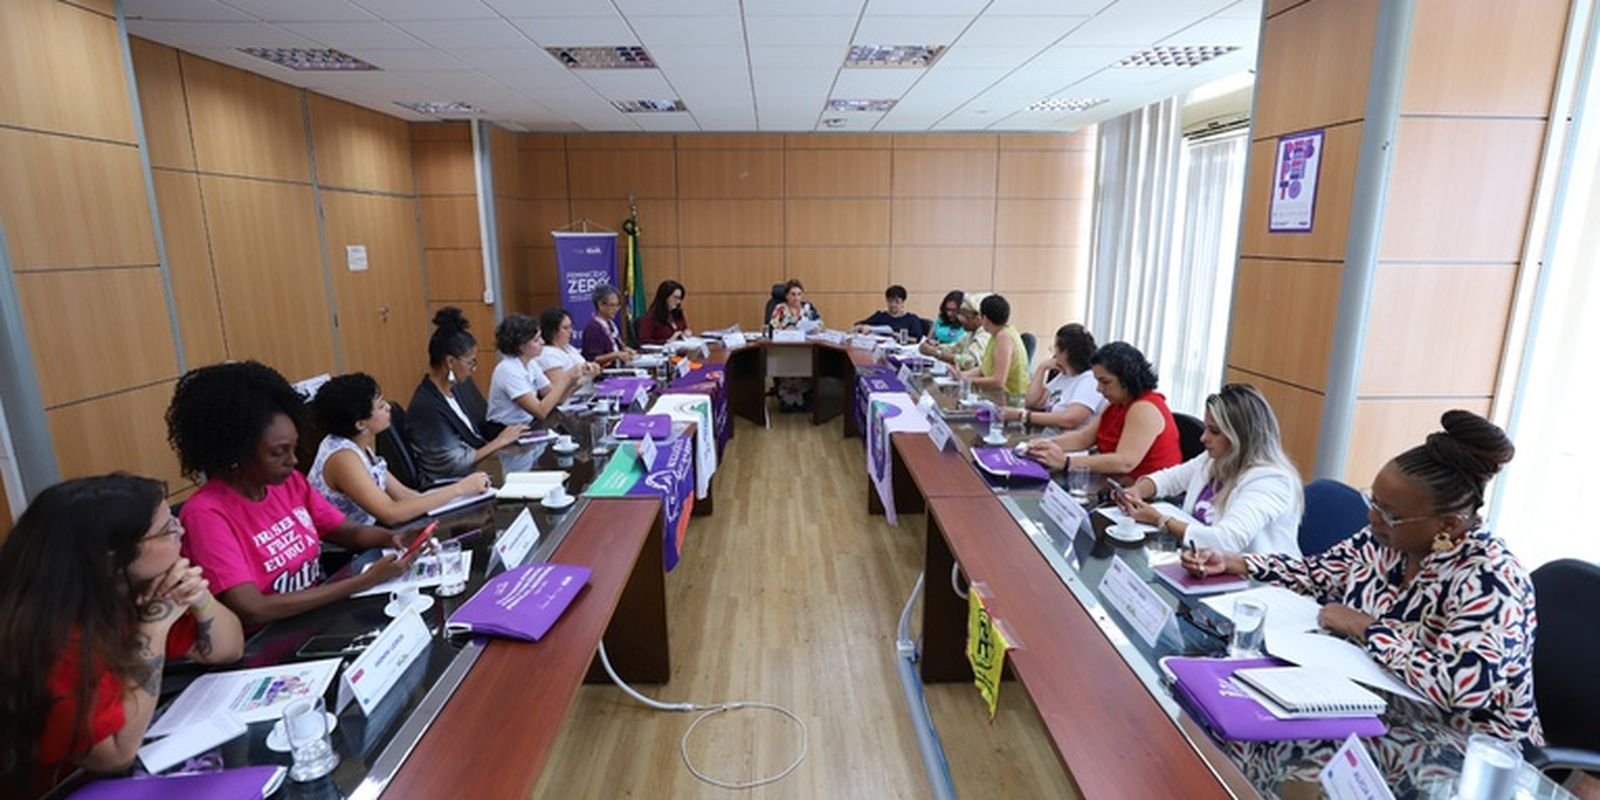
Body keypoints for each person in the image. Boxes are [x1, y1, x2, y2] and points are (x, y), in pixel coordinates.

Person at [1183, 411, 1542, 745]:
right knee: (1233, 727)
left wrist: (1366, 628)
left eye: (1389, 514)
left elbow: (1461, 686)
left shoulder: (1492, 579)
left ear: (1447, 524)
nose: (1373, 518)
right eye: (1373, 502)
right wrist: (1237, 562)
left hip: (1461, 747)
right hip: (1366, 705)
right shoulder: (1384, 540)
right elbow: (1318, 573)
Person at [0, 474, 245, 792]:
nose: (181, 531)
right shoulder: (52, 637)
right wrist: (156, 624)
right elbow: (115, 753)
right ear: (112, 559)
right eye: (167, 530)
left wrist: (200, 598)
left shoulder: (127, 590)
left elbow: (228, 649)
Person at [168, 361, 424, 628]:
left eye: (294, 448)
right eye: (278, 452)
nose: (293, 461)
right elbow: (252, 609)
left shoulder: (289, 483)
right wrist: (363, 581)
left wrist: (393, 538)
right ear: (236, 451)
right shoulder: (205, 514)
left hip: (317, 621)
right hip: (267, 640)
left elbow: (349, 532)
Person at [1115, 383, 1302, 555]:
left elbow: (1227, 541)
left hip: (1251, 577)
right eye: (1206, 428)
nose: (1203, 438)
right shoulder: (1217, 458)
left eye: (1214, 431)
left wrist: (1160, 520)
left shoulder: (1270, 481)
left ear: (1241, 437)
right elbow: (1171, 479)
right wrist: (1138, 491)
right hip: (1201, 561)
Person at [308, 373, 492, 527]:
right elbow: (391, 513)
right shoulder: (343, 458)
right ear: (361, 424)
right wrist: (460, 488)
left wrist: (464, 491)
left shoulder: (359, 445)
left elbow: (405, 496)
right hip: (346, 553)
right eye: (381, 405)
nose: (388, 407)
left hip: (369, 536)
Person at [1022, 341, 1182, 480]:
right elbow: (1084, 438)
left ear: (1127, 378)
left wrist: (1067, 462)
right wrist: (1045, 445)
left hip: (1142, 493)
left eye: (1105, 382)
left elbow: (1125, 462)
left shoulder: (1144, 409)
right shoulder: (1117, 403)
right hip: (1114, 483)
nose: (1099, 389)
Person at [407, 308, 528, 483]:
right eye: (470, 362)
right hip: (447, 486)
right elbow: (454, 464)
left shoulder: (456, 388)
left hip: (472, 475)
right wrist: (500, 441)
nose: (473, 368)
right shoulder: (427, 407)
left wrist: (512, 433)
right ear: (450, 362)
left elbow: (481, 426)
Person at [488, 313, 584, 472]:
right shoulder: (508, 370)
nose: (543, 342)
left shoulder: (530, 364)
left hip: (529, 428)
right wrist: (567, 377)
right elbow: (540, 411)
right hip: (508, 436)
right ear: (520, 345)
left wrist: (576, 380)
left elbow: (556, 398)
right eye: (536, 340)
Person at [1001, 323, 1104, 431]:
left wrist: (1022, 415)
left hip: (1066, 439)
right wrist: (1041, 368)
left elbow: (1070, 420)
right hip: (1050, 436)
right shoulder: (1064, 375)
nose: (1054, 353)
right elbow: (1032, 401)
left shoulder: (1090, 380)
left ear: (1065, 353)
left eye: (1055, 348)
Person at [769, 279, 822, 411]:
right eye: (793, 294)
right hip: (783, 349)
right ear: (786, 295)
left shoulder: (808, 308)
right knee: (788, 368)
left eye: (799, 294)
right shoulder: (780, 308)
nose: (796, 297)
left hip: (805, 349)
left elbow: (819, 323)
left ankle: (805, 399)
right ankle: (787, 401)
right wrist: (786, 329)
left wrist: (816, 328)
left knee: (809, 366)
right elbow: (772, 328)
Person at [961, 293, 1028, 396]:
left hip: (1011, 398)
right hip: (997, 395)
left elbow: (998, 381)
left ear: (985, 318)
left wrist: (968, 380)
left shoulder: (1003, 337)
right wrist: (962, 376)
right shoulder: (997, 333)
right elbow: (984, 369)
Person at [920, 292, 990, 371]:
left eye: (966, 317)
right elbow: (955, 348)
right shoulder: (970, 333)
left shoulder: (985, 334)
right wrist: (935, 347)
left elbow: (970, 362)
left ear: (978, 318)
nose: (961, 320)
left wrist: (937, 354)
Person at [580, 283, 635, 366]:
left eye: (617, 305)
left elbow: (618, 346)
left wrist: (626, 350)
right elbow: (593, 359)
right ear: (601, 305)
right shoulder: (593, 328)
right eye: (612, 305)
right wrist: (616, 355)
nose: (616, 309)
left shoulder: (611, 324)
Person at [853, 284, 929, 340]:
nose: (893, 305)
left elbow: (917, 339)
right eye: (890, 301)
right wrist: (862, 327)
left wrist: (897, 335)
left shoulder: (912, 319)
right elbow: (858, 325)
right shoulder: (880, 316)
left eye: (897, 302)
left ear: (903, 302)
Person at [638, 280, 691, 345]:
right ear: (665, 297)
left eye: (680, 298)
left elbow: (683, 330)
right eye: (675, 297)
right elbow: (644, 342)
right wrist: (667, 341)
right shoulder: (650, 318)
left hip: (679, 350)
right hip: (661, 351)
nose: (678, 302)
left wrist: (685, 333)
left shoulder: (678, 314)